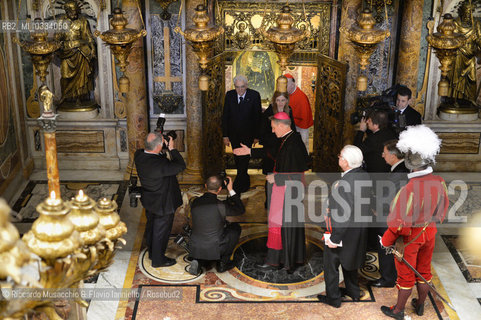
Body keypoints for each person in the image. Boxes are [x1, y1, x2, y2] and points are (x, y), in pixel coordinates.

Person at [380, 125, 449, 319]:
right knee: (424, 270)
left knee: (405, 275)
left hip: (410, 238)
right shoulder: (439, 181)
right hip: (430, 233)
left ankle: (398, 310)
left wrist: (385, 241)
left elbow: (398, 223)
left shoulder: (409, 188)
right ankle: (419, 305)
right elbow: (441, 210)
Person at [233, 112, 309, 272]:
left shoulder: (293, 143)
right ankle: (291, 257)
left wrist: (277, 179)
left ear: (282, 125)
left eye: (274, 128)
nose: (273, 131)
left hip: (286, 192)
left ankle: (274, 261)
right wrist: (250, 152)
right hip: (287, 192)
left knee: (278, 224)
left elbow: (297, 173)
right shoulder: (289, 139)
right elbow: (274, 153)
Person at [317, 145, 371, 308]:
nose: (338, 158)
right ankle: (353, 292)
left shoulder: (345, 183)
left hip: (343, 232)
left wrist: (335, 237)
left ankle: (333, 298)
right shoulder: (363, 175)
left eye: (340, 156)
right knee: (350, 260)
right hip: (358, 230)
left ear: (346, 162)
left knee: (331, 265)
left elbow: (343, 215)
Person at [134, 132, 186, 268]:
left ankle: (152, 252)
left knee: (152, 226)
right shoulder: (160, 165)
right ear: (158, 146)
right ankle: (158, 260)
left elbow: (155, 153)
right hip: (163, 203)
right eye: (162, 142)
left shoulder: (139, 155)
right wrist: (172, 148)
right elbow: (180, 165)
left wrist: (161, 145)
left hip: (150, 199)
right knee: (161, 232)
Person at [370, 140, 409, 288]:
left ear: (393, 156)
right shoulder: (401, 169)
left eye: (385, 153)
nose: (382, 155)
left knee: (385, 246)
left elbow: (388, 199)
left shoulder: (398, 174)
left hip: (388, 217)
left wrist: (375, 208)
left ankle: (387, 279)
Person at [188, 175, 245, 275]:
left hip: (195, 246)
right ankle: (223, 263)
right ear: (219, 189)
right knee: (235, 228)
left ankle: (198, 260)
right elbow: (241, 210)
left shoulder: (195, 201)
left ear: (206, 185)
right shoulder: (221, 205)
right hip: (216, 247)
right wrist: (230, 190)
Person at [222, 75, 262, 193]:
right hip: (234, 135)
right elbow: (225, 116)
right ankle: (244, 180)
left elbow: (257, 117)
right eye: (237, 87)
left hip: (248, 135)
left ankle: (240, 184)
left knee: (244, 159)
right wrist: (225, 135)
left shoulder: (254, 95)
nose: (240, 90)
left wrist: (256, 136)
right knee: (237, 158)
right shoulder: (229, 95)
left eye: (242, 87)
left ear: (246, 86)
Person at [55, 0, 96, 106]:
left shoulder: (83, 21)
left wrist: (93, 49)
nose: (74, 14)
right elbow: (57, 38)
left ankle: (79, 98)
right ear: (66, 12)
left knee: (81, 77)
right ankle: (65, 96)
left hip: (80, 52)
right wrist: (62, 45)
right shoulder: (61, 22)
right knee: (65, 76)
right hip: (67, 52)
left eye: (75, 12)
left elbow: (89, 37)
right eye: (71, 12)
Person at [449, 1, 481, 103]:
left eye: (469, 13)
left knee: (472, 78)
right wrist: (466, 40)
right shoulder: (456, 23)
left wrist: (477, 39)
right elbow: (452, 40)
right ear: (462, 12)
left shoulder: (476, 24)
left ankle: (470, 99)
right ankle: (454, 100)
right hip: (459, 53)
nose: (467, 15)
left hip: (470, 55)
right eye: (465, 13)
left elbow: (480, 40)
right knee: (457, 77)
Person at [285, 73, 313, 151]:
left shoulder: (301, 97)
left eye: (286, 85)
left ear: (293, 84)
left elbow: (304, 118)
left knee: (300, 149)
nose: (284, 88)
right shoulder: (286, 94)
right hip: (290, 127)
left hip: (300, 129)